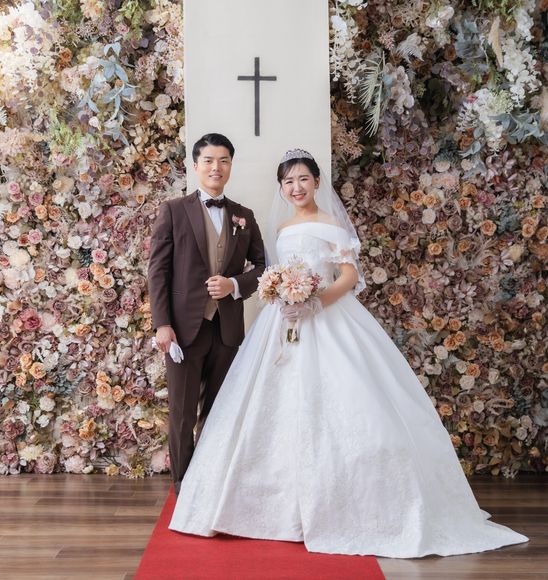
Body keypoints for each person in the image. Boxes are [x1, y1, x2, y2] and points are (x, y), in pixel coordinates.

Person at [167, 148, 529, 558]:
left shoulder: (332, 224)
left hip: (327, 317)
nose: (296, 187)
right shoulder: (281, 228)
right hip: (282, 321)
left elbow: (349, 276)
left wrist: (315, 302)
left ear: (317, 182)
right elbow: (273, 273)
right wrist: (282, 295)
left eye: (303, 179)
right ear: (281, 188)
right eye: (288, 182)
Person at [147, 133, 265, 496]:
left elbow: (262, 266)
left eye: (224, 160)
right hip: (183, 329)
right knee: (182, 412)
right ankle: (183, 486)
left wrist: (234, 284)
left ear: (230, 166)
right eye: (209, 161)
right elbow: (158, 271)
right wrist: (162, 324)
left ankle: (211, 483)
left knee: (219, 409)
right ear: (196, 165)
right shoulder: (173, 210)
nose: (217, 167)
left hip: (226, 329)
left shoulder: (244, 216)